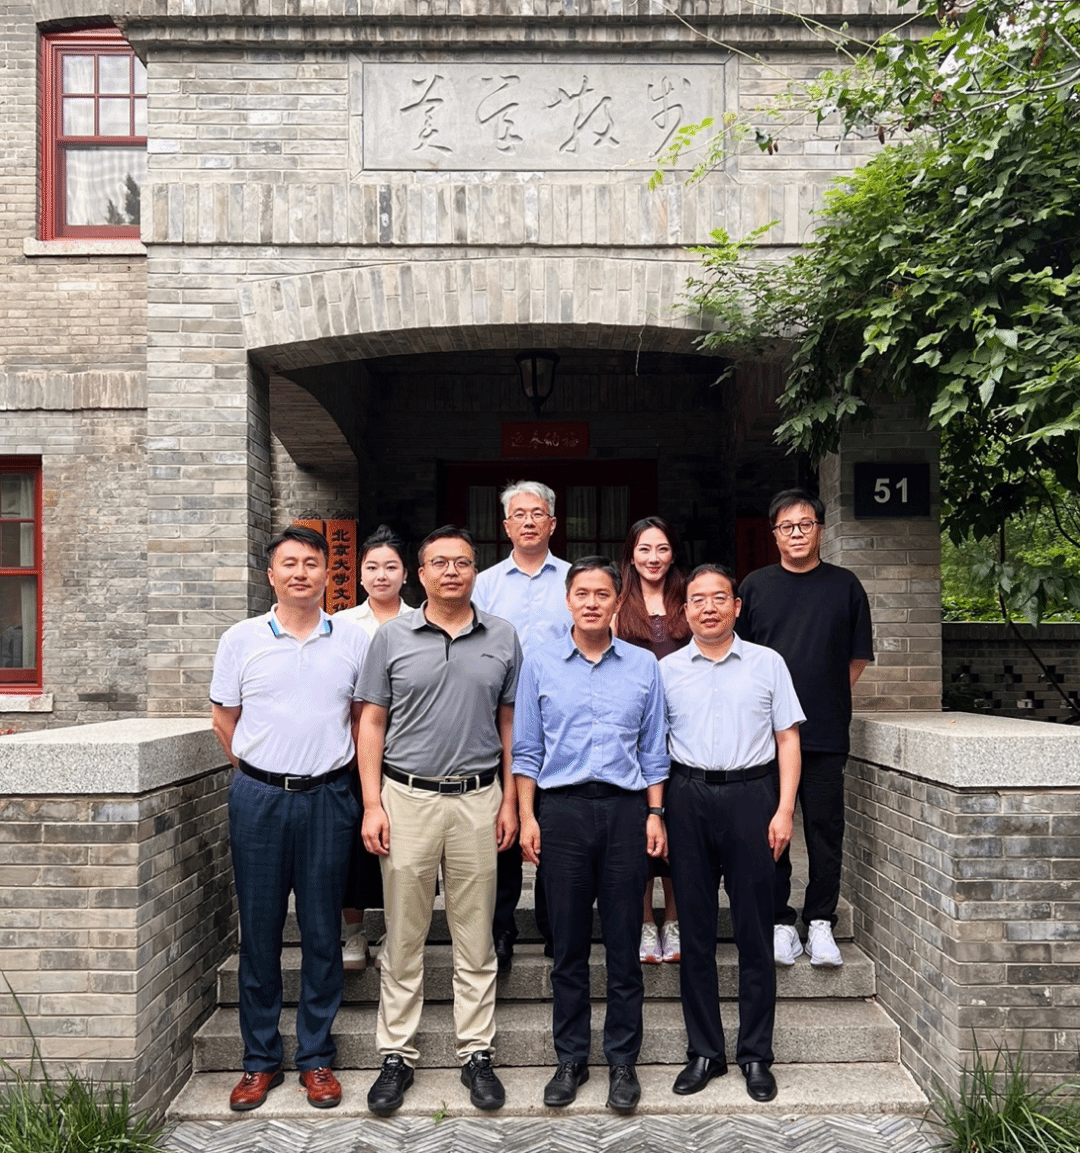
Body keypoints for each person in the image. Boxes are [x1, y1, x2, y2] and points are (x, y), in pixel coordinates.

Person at [356, 526, 522, 1116]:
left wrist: (509, 801)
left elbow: (510, 724)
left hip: (479, 799)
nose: (452, 572)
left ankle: (476, 1052)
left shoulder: (502, 636)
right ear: (420, 574)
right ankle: (397, 1054)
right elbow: (371, 722)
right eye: (439, 563)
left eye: (463, 562)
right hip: (407, 798)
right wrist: (372, 803)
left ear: (476, 571)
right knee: (404, 936)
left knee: (476, 937)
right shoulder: (391, 637)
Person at [209, 525, 370, 1112]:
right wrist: (264, 772)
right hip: (259, 799)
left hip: (330, 798)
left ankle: (316, 1057)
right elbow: (224, 719)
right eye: (289, 563)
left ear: (328, 574)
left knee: (324, 930)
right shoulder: (241, 639)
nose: (301, 572)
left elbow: (362, 719)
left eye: (311, 563)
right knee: (260, 930)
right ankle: (259, 1060)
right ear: (271, 575)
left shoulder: (353, 639)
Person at [513, 556, 669, 1114]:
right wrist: (528, 816)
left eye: (603, 594)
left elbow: (654, 749)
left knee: (625, 945)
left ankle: (622, 1061)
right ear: (569, 600)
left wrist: (655, 813)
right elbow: (526, 749)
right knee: (569, 947)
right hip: (562, 812)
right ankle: (571, 1059)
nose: (592, 603)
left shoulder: (643, 666)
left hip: (627, 812)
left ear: (617, 601)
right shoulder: (540, 664)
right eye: (582, 593)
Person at [662, 564, 804, 1103]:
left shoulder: (768, 664)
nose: (709, 607)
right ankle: (704, 1051)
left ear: (736, 606)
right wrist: (658, 812)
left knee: (754, 932)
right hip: (687, 797)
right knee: (695, 932)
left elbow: (788, 740)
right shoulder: (667, 670)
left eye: (719, 597)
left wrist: (784, 810)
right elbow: (653, 746)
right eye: (697, 599)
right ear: (685, 610)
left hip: (753, 798)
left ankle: (756, 1055)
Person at [735, 489, 873, 969]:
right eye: (786, 526)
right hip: (763, 738)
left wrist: (818, 696)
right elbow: (741, 659)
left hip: (825, 732)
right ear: (774, 534)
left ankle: (819, 922)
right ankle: (779, 921)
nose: (796, 533)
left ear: (820, 530)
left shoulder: (845, 586)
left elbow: (856, 659)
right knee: (771, 830)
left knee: (824, 830)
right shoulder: (755, 586)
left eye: (805, 524)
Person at [472, 480, 571, 970]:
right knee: (503, 819)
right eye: (519, 514)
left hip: (562, 720)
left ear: (552, 523)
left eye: (537, 514)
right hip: (498, 719)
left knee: (554, 820)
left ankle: (557, 926)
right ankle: (502, 926)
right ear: (505, 525)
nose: (528, 521)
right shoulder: (485, 584)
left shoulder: (573, 580)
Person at [334, 525, 412, 970]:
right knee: (355, 849)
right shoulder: (342, 625)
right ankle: (354, 934)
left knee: (408, 849)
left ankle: (398, 934)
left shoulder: (421, 620)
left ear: (406, 574)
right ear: (359, 574)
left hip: (409, 753)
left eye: (391, 567)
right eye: (372, 567)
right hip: (353, 753)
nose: (381, 575)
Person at [615, 516, 691, 965]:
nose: (653, 558)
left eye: (662, 548)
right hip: (633, 735)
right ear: (631, 555)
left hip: (683, 732)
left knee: (677, 829)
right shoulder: (618, 604)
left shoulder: (689, 599)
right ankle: (646, 921)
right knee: (639, 828)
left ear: (673, 553)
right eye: (644, 549)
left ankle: (674, 919)